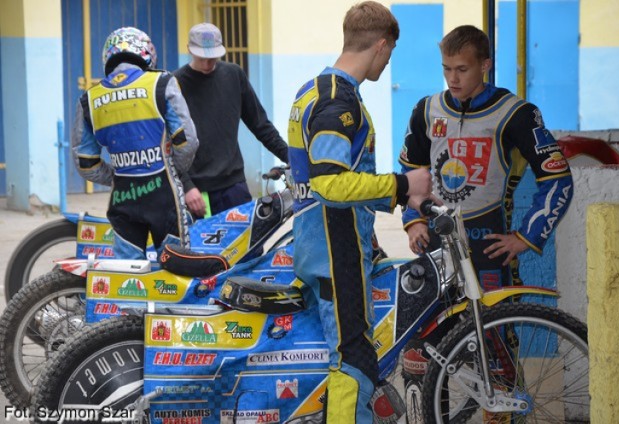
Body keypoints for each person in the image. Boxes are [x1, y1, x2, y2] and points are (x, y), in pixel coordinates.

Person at [398, 24, 574, 420]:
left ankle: (503, 414)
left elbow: (557, 177)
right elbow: (412, 171)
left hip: (488, 246)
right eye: (446, 69)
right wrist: (413, 221)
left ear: (486, 65)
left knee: (495, 346)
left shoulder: (515, 112)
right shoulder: (426, 110)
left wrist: (525, 237)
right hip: (438, 247)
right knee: (423, 351)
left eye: (462, 69)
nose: (453, 79)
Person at [288, 2, 434, 422]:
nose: (387, 65)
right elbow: (330, 184)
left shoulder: (310, 91)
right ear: (382, 45)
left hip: (321, 243)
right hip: (336, 251)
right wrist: (402, 185)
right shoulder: (340, 101)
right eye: (390, 56)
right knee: (353, 363)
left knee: (347, 357)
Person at [72, 27, 199, 259]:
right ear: (146, 53)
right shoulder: (161, 83)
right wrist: (171, 171)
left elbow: (85, 163)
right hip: (165, 197)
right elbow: (187, 142)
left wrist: (116, 175)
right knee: (176, 270)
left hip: (123, 199)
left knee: (125, 277)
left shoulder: (89, 99)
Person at [173, 23, 289, 218]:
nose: (208, 64)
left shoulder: (234, 75)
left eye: (213, 58)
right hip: (196, 192)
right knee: (201, 249)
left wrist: (290, 156)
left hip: (233, 186)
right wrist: (186, 185)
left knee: (248, 247)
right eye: (203, 58)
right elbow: (169, 143)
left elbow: (261, 125)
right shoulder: (175, 84)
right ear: (189, 50)